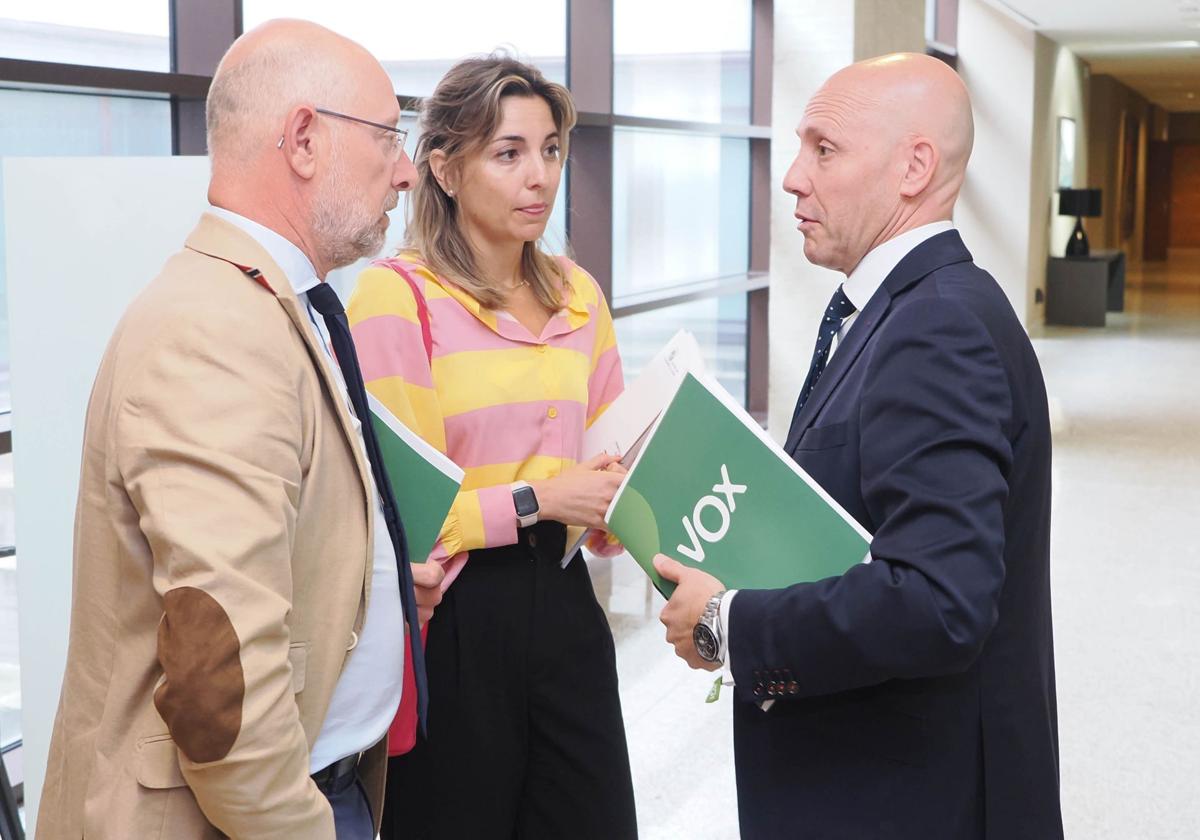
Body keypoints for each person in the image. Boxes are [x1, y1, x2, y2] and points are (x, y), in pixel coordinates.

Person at [36, 19, 444, 840]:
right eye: (387, 137)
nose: (405, 173)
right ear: (303, 140)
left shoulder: (278, 306)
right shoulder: (216, 331)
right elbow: (221, 686)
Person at [654, 53, 1064, 839]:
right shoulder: (895, 308)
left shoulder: (935, 325)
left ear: (914, 167)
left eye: (824, 149)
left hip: (905, 796)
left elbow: (939, 600)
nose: (792, 178)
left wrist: (731, 622)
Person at [346, 54, 638, 839]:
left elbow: (608, 451)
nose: (537, 176)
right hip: (457, 619)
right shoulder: (395, 297)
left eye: (549, 150)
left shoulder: (578, 292)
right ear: (443, 167)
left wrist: (615, 507)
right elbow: (399, 516)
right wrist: (542, 498)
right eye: (508, 154)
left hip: (567, 603)